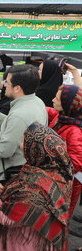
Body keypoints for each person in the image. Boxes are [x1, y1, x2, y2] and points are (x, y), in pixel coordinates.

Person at [0, 123, 73, 251]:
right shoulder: (60, 174)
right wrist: (3, 191)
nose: (21, 145)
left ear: (36, 149)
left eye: (24, 142)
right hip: (46, 246)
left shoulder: (33, 188)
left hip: (25, 250)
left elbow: (9, 218)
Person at [0, 64, 48, 185]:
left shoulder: (20, 114)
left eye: (7, 82)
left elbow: (4, 150)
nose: (4, 85)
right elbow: (15, 125)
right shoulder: (37, 102)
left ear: (17, 88)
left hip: (8, 176)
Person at [46, 65, 82, 220]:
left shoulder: (74, 131)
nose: (53, 99)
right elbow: (46, 109)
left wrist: (49, 159)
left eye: (57, 98)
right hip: (56, 181)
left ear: (67, 104)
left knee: (60, 221)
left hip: (67, 186)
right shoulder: (61, 116)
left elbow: (76, 163)